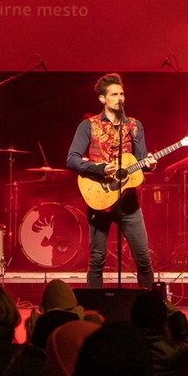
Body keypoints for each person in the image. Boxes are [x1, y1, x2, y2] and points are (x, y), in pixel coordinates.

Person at [65, 73, 156, 289]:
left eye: (122, 94)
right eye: (114, 94)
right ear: (102, 98)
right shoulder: (88, 126)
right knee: (97, 259)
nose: (119, 98)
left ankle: (150, 306)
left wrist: (150, 163)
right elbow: (72, 159)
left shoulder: (134, 126)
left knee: (143, 258)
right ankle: (94, 307)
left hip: (128, 201)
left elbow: (141, 159)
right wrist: (99, 168)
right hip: (100, 197)